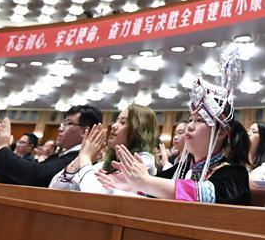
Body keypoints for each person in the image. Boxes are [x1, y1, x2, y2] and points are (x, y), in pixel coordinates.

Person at [97, 50, 252, 205]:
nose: (189, 127)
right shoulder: (182, 168)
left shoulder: (235, 174)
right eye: (190, 120)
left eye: (199, 121)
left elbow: (205, 194)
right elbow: (153, 188)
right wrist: (129, 185)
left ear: (220, 133)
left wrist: (145, 182)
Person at [50, 104, 158, 193]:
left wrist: (86, 158)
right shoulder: (106, 164)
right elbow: (55, 187)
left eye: (123, 122)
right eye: (116, 120)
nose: (114, 126)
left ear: (138, 130)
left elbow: (94, 194)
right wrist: (80, 158)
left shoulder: (143, 162)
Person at [0, 105, 101, 187]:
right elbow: (17, 179)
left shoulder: (81, 159)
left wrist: (3, 148)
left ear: (84, 132)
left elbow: (36, 176)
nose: (60, 128)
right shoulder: (60, 156)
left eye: (68, 123)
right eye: (63, 123)